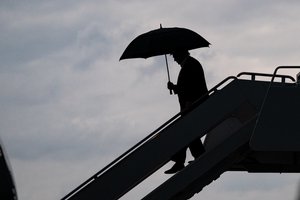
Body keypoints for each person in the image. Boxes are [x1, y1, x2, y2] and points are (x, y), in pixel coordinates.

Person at [164, 49, 209, 174]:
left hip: (193, 106)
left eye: (174, 56)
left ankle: (185, 160)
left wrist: (189, 102)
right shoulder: (190, 64)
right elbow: (186, 87)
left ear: (180, 54)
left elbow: (193, 86)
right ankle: (193, 157)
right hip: (192, 106)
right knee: (188, 133)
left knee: (186, 132)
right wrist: (174, 87)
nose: (174, 59)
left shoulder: (190, 65)